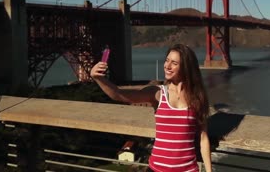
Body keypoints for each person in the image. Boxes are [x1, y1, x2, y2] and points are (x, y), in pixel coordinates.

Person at [90, 43, 212, 172]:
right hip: (157, 169)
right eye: (167, 61)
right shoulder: (157, 93)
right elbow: (120, 95)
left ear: (186, 68)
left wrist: (209, 170)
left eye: (174, 63)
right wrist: (99, 79)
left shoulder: (197, 98)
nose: (167, 66)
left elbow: (203, 138)